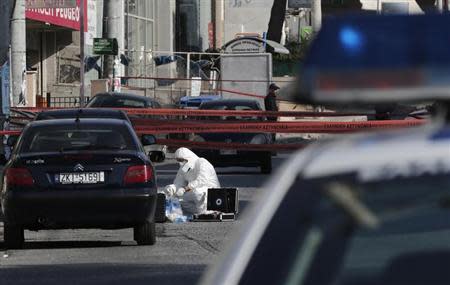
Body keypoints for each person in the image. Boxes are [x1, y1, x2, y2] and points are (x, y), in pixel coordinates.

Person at [163, 147, 220, 216]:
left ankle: (207, 212)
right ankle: (201, 213)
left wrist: (185, 188)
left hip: (211, 191)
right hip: (194, 191)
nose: (181, 163)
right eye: (178, 160)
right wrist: (173, 188)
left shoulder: (201, 162)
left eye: (182, 160)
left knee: (197, 192)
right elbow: (179, 181)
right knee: (179, 200)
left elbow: (202, 180)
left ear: (188, 157)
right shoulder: (186, 167)